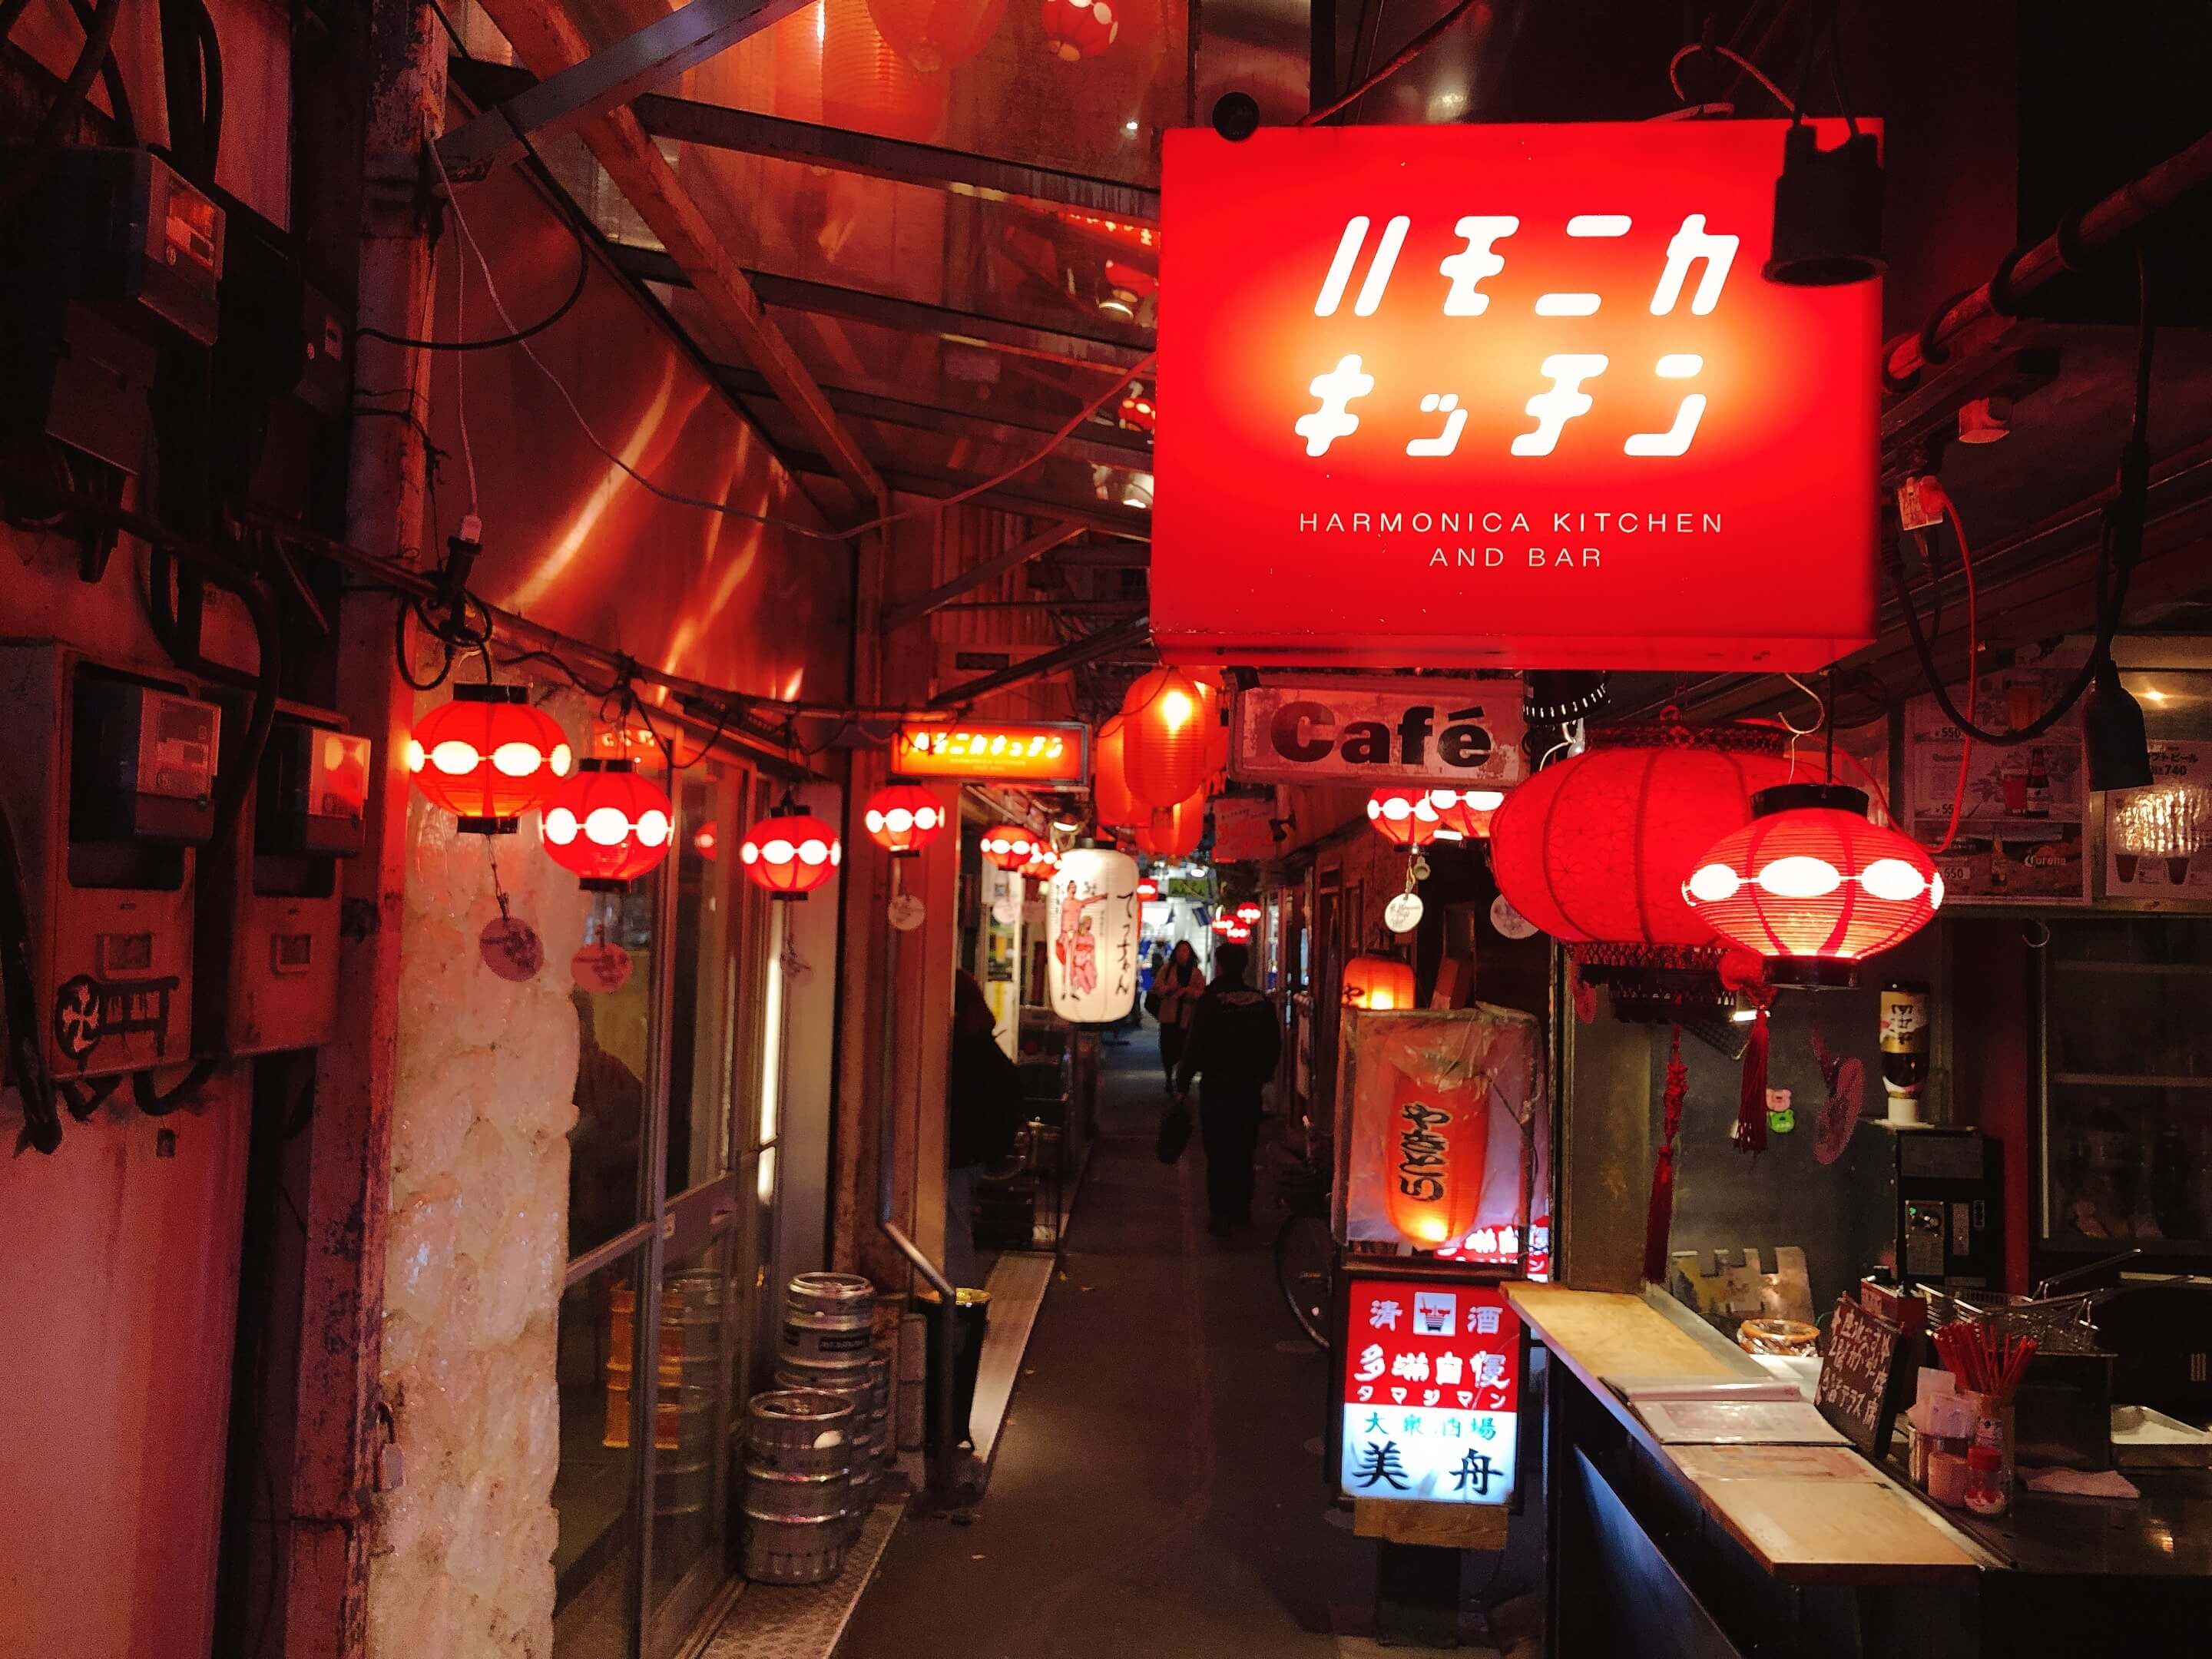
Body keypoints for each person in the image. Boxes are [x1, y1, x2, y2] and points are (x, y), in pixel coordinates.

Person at [1172, 942, 1283, 1234]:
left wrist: (1182, 1084)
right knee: (1244, 1150)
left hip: (1217, 1087)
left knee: (1219, 1150)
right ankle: (1241, 1210)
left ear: (1220, 966)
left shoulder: (1211, 1000)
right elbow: (1274, 1044)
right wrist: (1263, 1075)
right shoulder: (1260, 1002)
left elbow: (1194, 1045)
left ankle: (1220, 1215)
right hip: (1248, 1088)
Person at [946, 972, 1025, 1288]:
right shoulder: (983, 1045)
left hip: (957, 1153)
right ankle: (960, 1306)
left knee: (953, 1230)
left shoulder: (959, 1048)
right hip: (973, 1155)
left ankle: (956, 1309)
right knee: (956, 1227)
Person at [1151, 939, 1204, 1092]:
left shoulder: (1196, 973)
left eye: (1186, 951)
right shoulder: (1167, 970)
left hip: (1187, 1019)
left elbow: (1201, 992)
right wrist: (1169, 989)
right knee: (1168, 1050)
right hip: (1169, 1017)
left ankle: (1182, 1080)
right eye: (1180, 951)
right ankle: (1169, 1077)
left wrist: (1187, 992)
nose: (1183, 954)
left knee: (1185, 1051)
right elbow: (1157, 987)